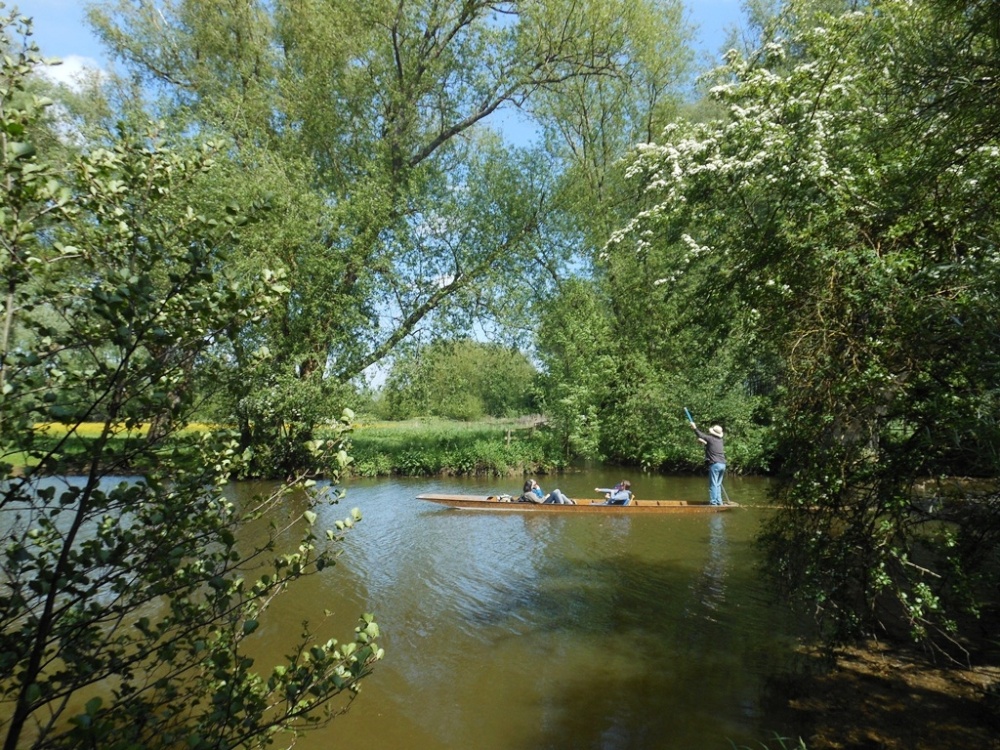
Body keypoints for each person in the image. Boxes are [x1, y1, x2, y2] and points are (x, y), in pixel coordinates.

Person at [689, 420, 726, 505]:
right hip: (722, 464)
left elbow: (700, 435)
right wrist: (704, 443)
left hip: (715, 464)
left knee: (713, 484)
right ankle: (719, 502)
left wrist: (694, 428)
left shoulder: (710, 438)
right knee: (718, 484)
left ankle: (713, 503)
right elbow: (712, 446)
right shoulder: (720, 441)